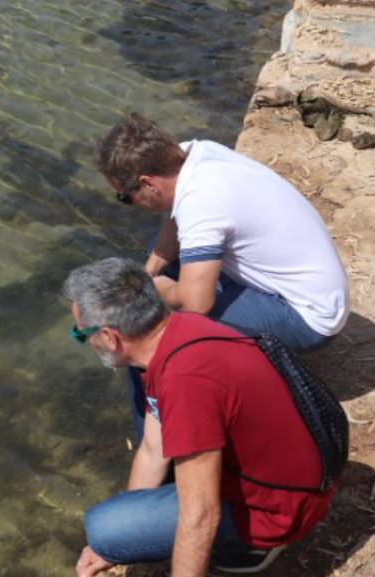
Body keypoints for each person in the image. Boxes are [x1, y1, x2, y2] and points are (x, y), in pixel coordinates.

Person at [63, 258, 334, 577]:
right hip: (298, 475)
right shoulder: (179, 332)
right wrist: (130, 528)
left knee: (103, 529)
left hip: (281, 510)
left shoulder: (184, 383)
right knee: (114, 530)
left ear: (110, 337)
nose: (83, 341)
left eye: (81, 334)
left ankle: (253, 546)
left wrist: (119, 536)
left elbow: (201, 514)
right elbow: (152, 449)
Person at [95, 113, 350, 439]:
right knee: (162, 269)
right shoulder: (194, 155)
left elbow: (196, 304)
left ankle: (158, 439)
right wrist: (148, 273)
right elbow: (174, 224)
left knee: (146, 330)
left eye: (125, 197)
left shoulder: (201, 201)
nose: (128, 203)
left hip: (309, 317)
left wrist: (157, 290)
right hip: (314, 288)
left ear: (148, 183)